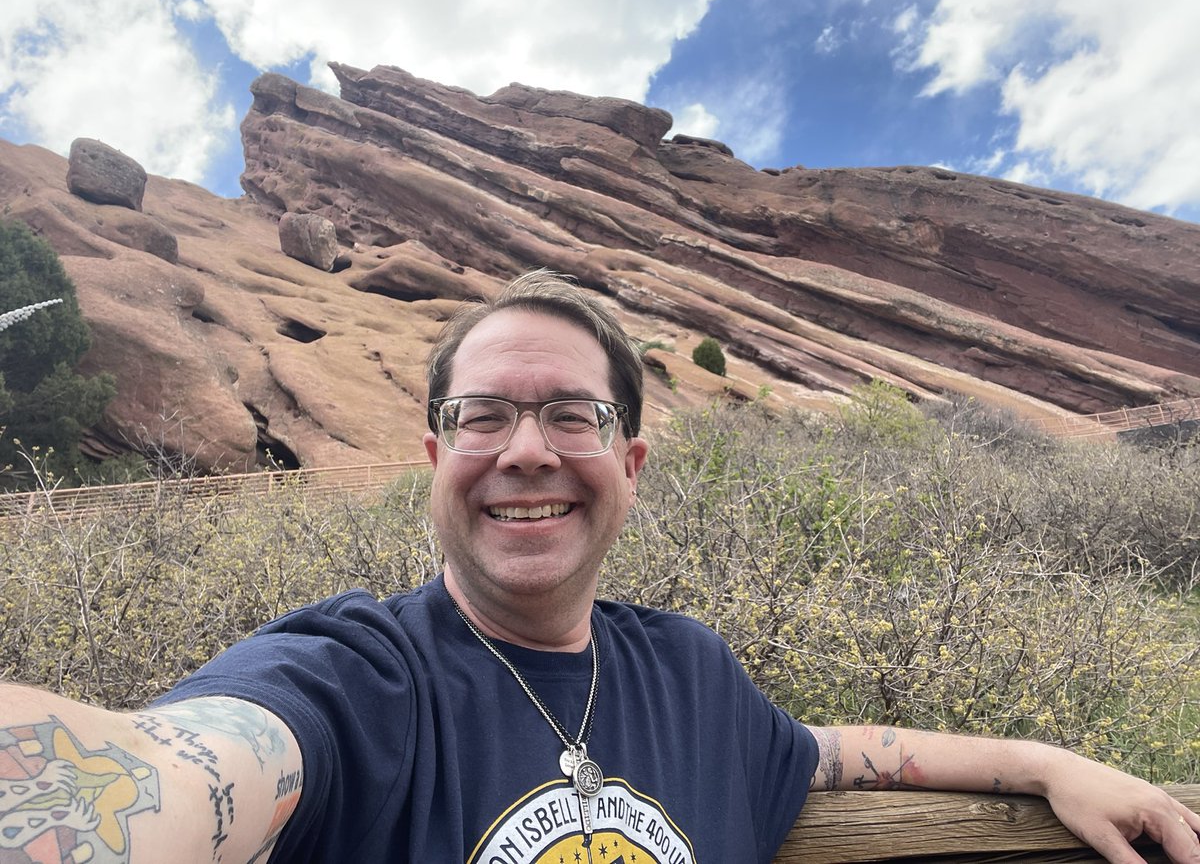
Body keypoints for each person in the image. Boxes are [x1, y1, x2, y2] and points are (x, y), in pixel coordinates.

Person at [2, 270, 1198, 864]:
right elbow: (165, 772)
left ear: (630, 460)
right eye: (482, 418)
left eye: (571, 416)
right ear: (432, 455)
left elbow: (837, 754)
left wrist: (1048, 760)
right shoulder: (357, 681)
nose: (527, 452)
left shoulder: (689, 675)